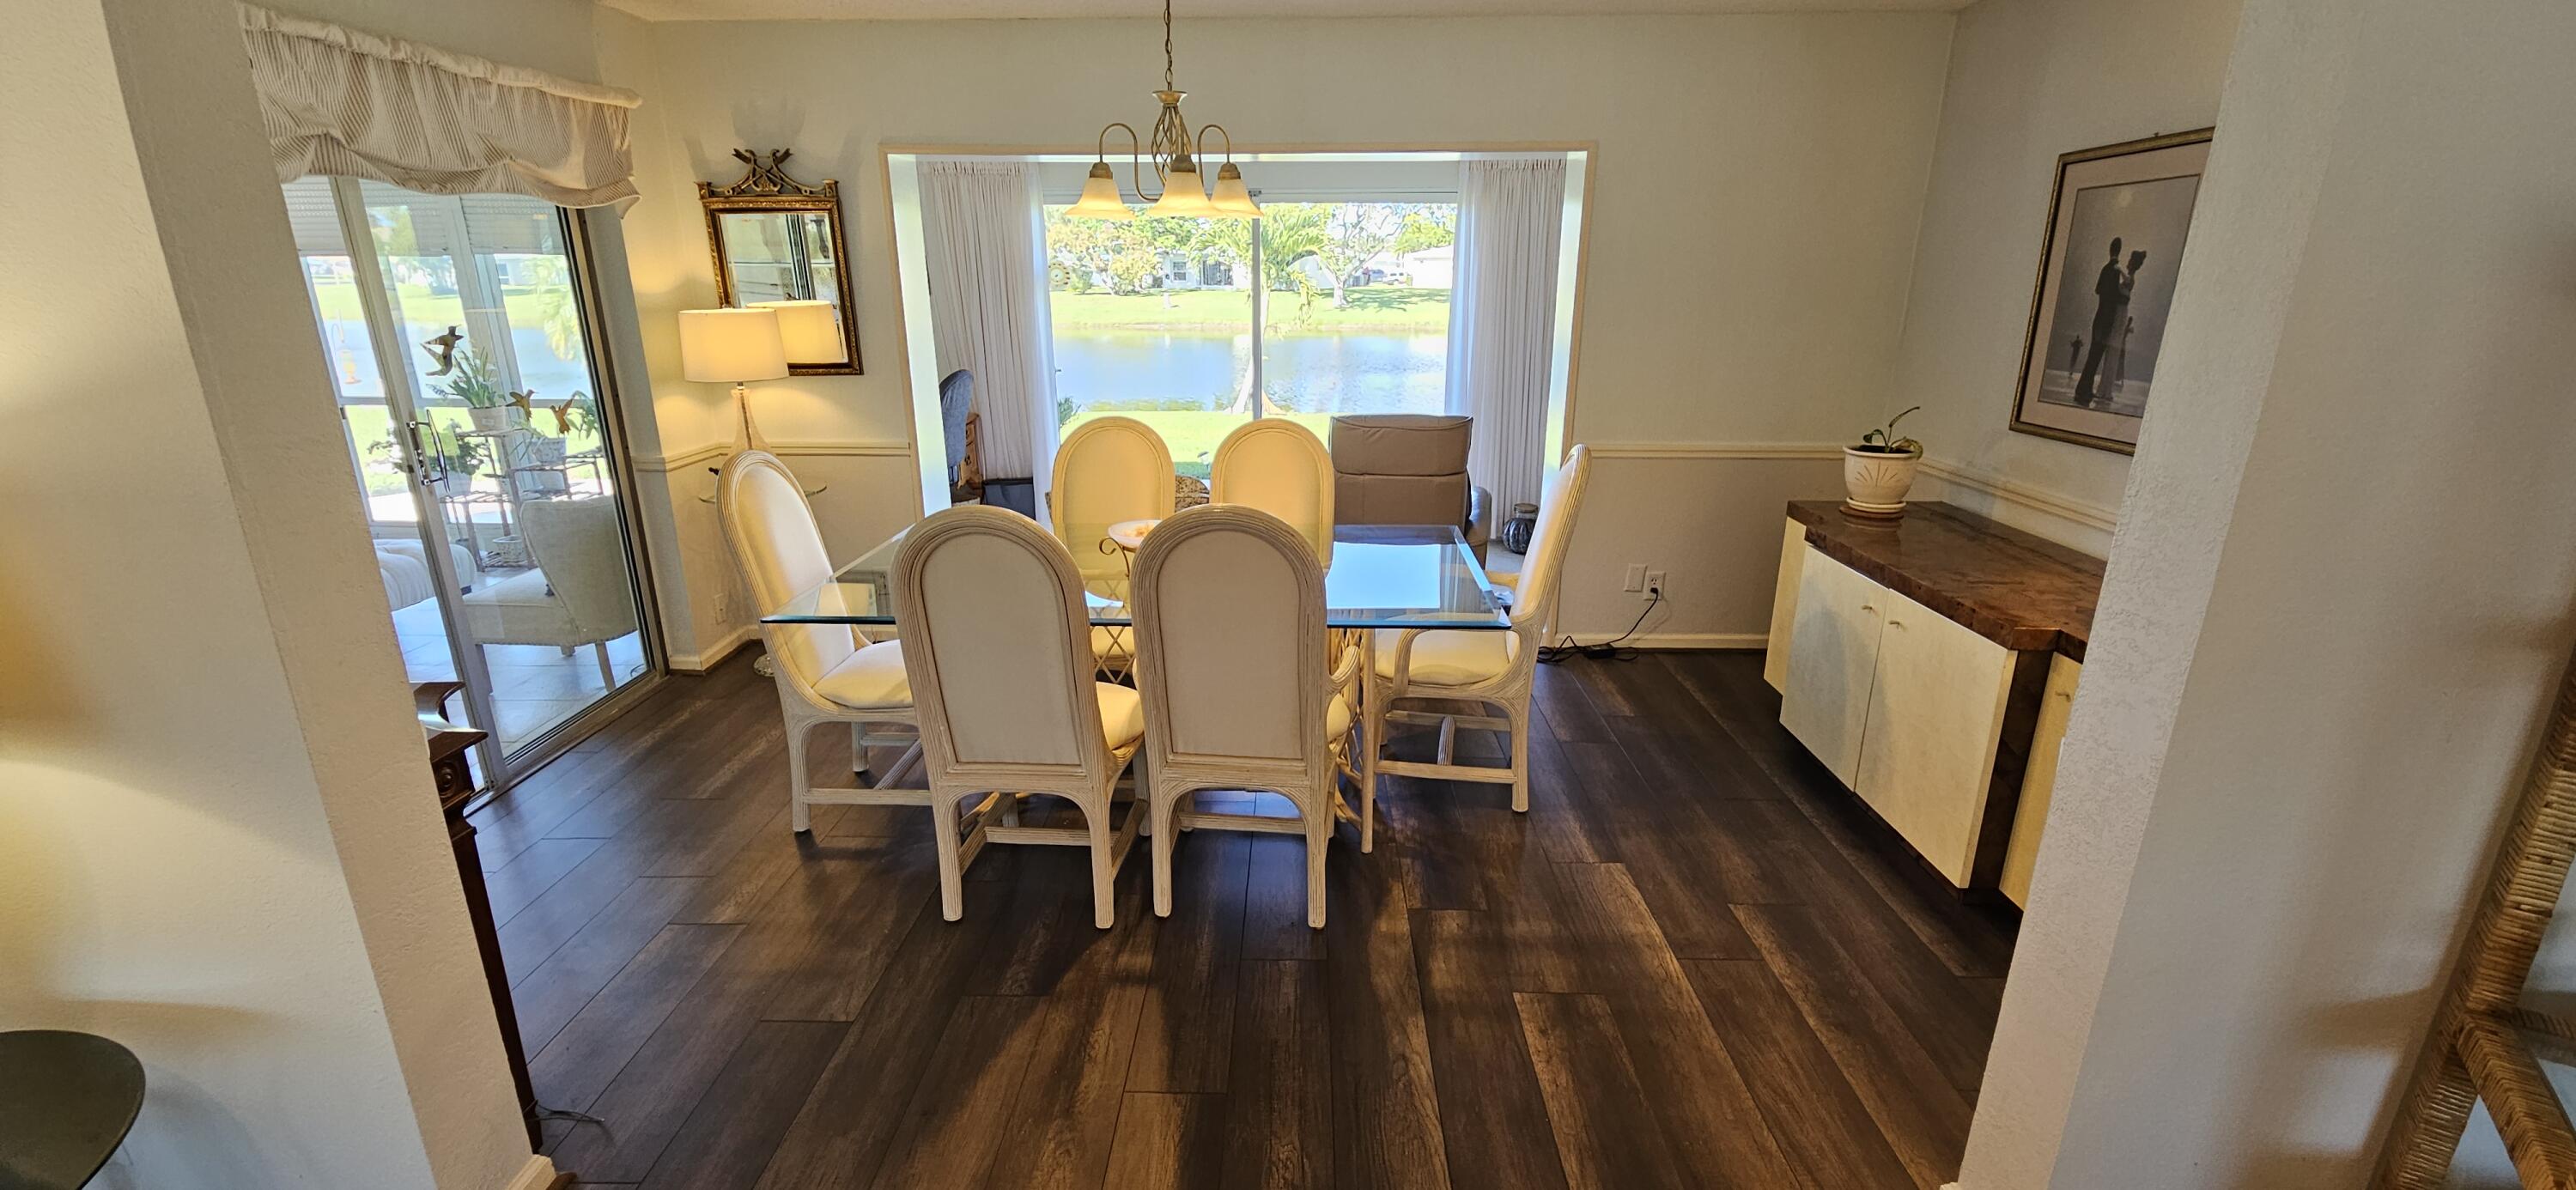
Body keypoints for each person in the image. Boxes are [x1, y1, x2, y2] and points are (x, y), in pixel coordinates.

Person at [2072, 239, 2138, 408]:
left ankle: (2084, 389)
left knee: (2092, 357)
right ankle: (2084, 390)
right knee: (2095, 357)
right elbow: (2117, 296)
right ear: (2119, 250)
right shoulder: (2116, 271)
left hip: (2099, 317)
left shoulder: (2105, 268)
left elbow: (2098, 289)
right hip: (2107, 321)